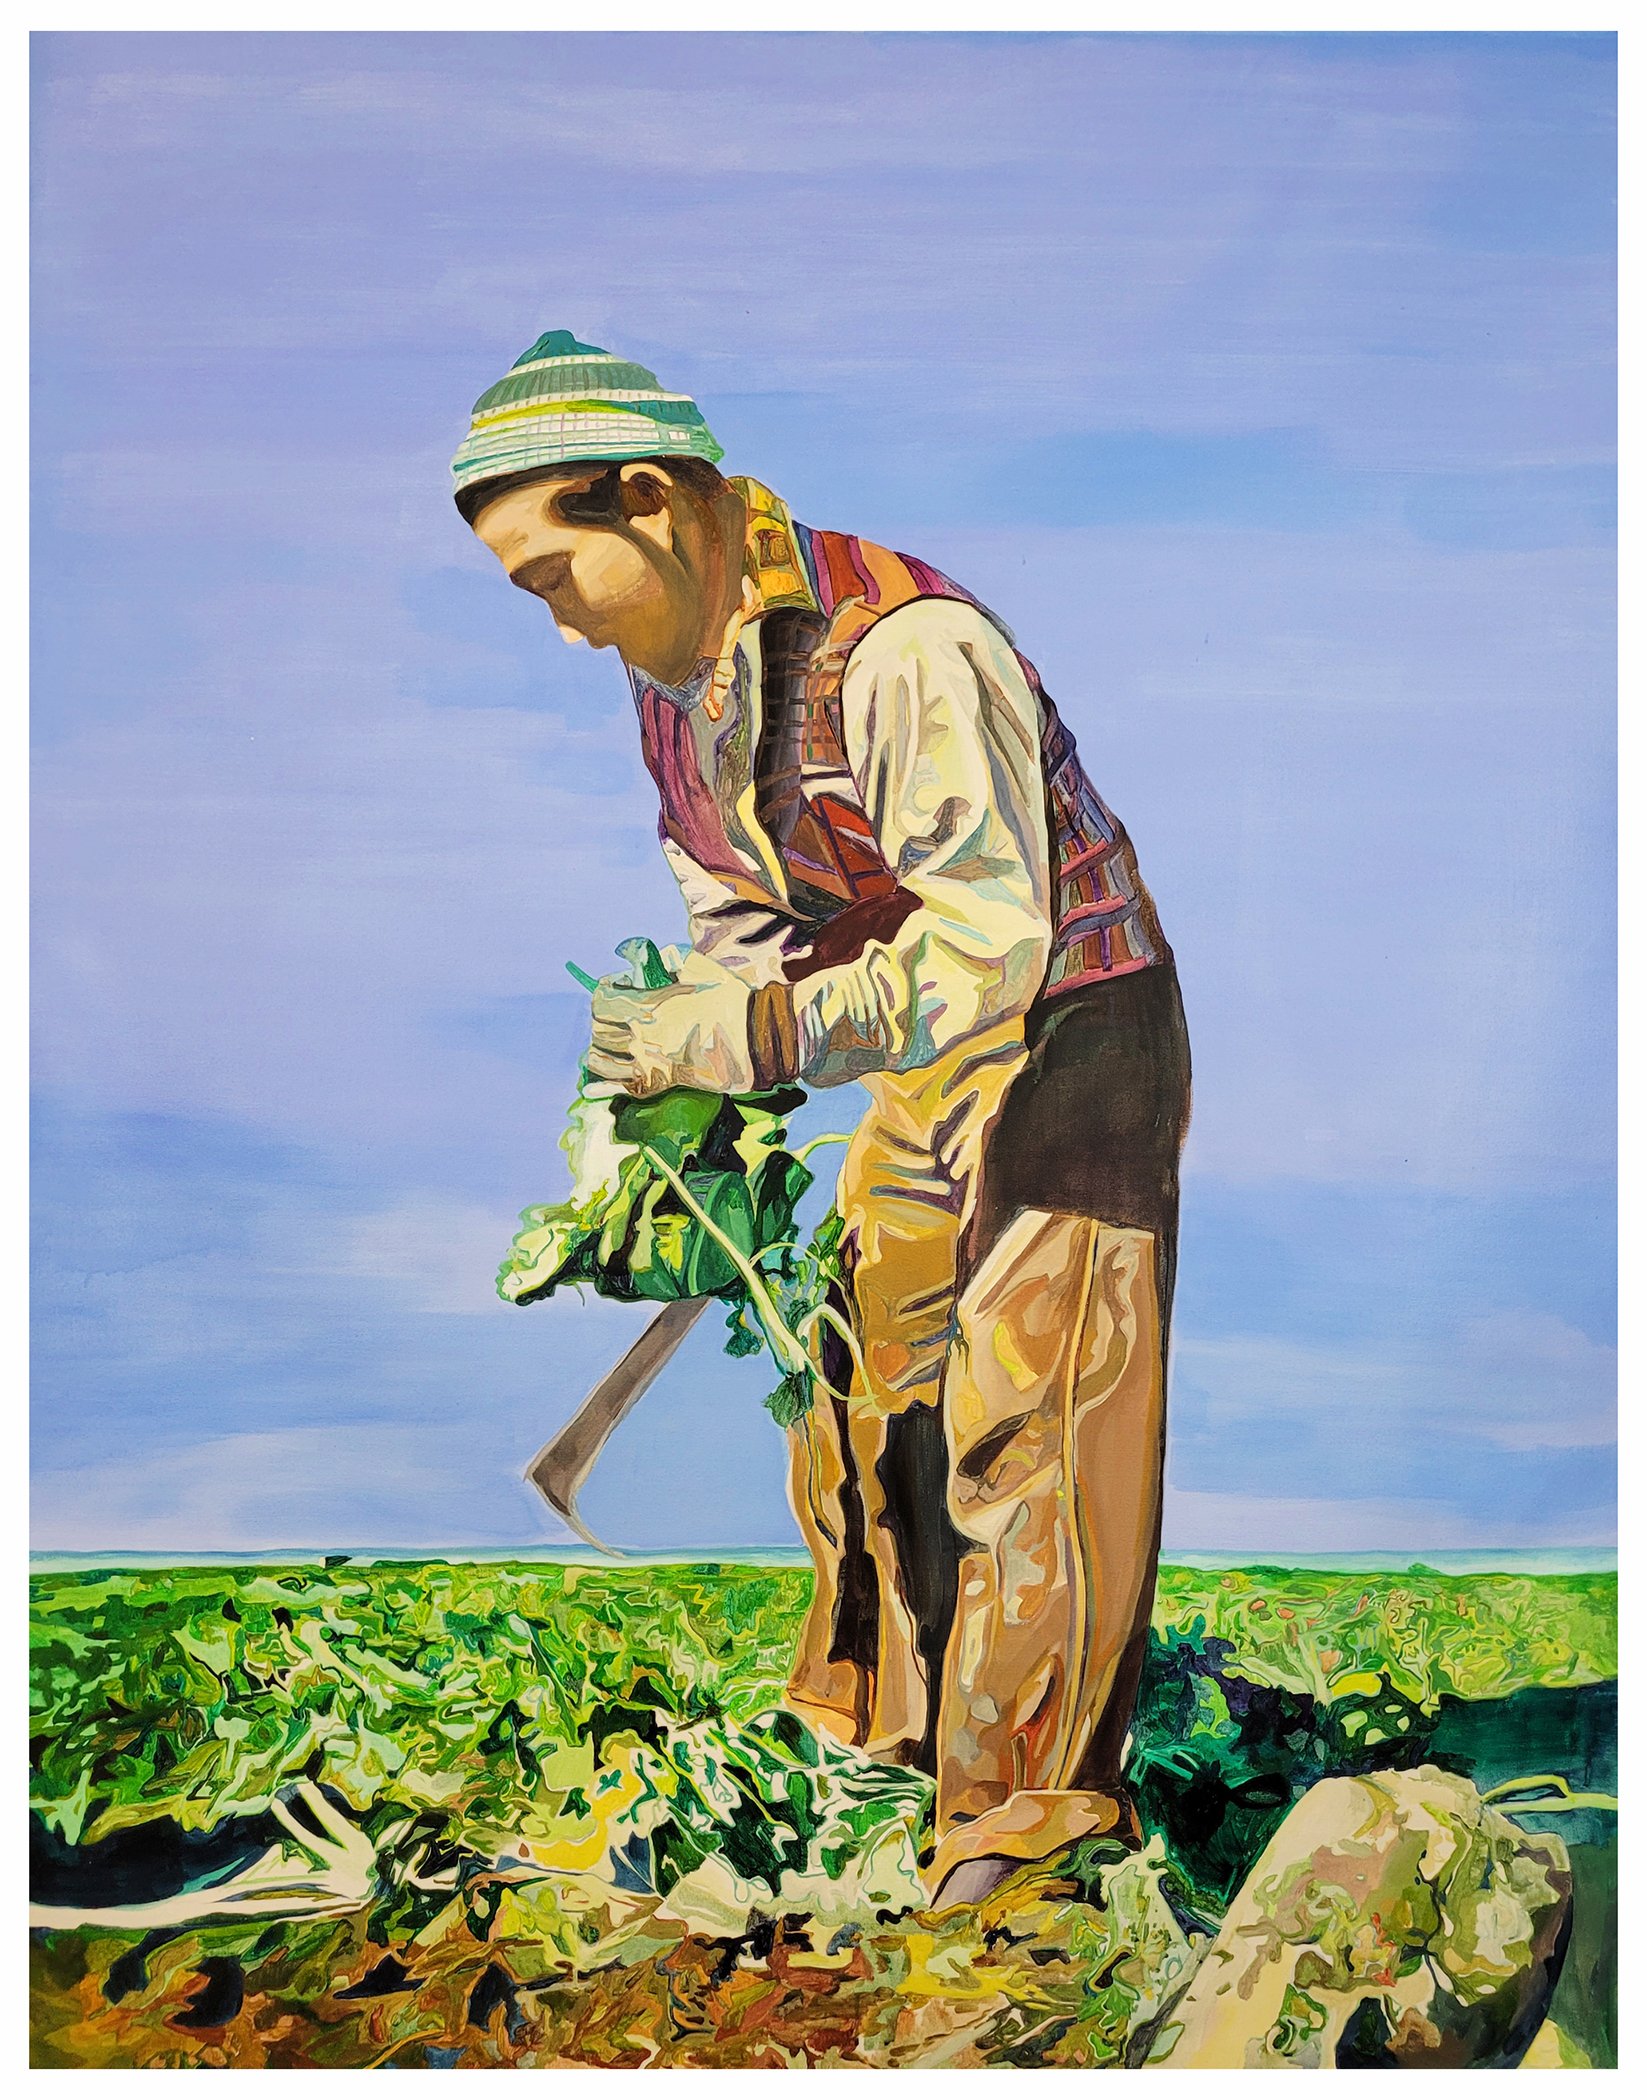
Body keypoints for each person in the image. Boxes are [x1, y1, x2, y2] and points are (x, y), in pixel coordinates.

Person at [454, 331, 1192, 1907]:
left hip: (1075, 1024)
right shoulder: (679, 699)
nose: (561, 629)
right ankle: (891, 1748)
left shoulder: (907, 643)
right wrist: (695, 1092)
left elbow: (993, 944)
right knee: (854, 1378)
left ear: (653, 501)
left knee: (1032, 1413)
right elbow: (748, 923)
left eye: (553, 580)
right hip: (923, 1047)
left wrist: (752, 1032)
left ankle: (1027, 1842)